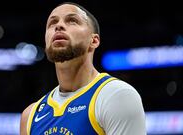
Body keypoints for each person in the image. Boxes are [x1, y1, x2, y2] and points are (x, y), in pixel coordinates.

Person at [20, 2, 146, 135]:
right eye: (52, 23)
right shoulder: (30, 115)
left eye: (72, 21)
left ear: (94, 41)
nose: (59, 26)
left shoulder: (116, 95)